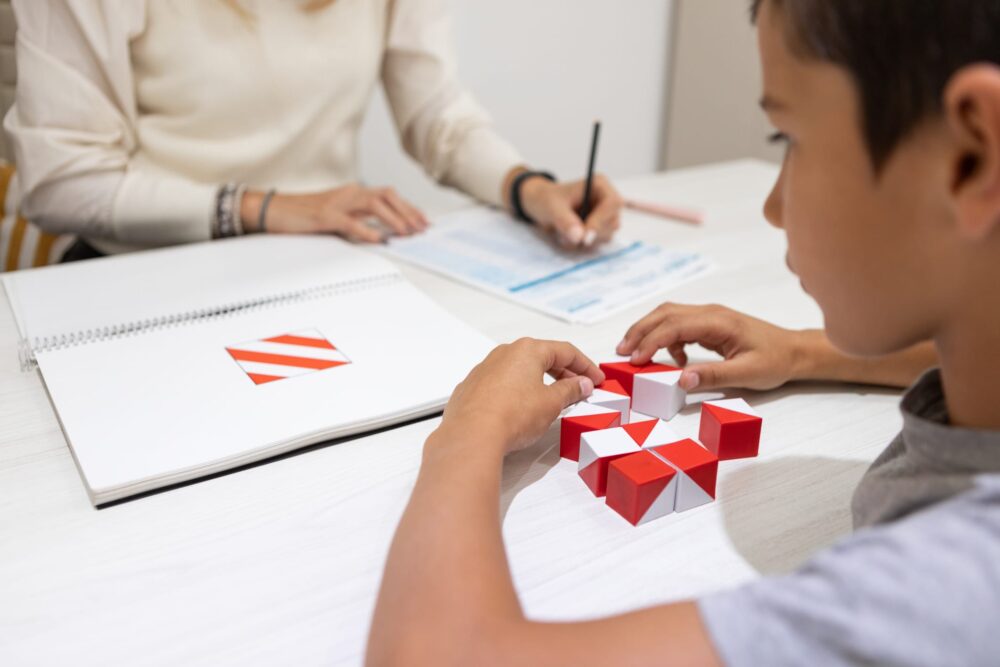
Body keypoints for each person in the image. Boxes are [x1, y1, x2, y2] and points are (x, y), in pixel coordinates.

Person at [366, 0, 1000, 664]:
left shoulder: (953, 592)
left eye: (788, 139)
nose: (772, 206)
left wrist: (468, 431)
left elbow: (433, 653)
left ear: (971, 156)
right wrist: (800, 350)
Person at [6, 0, 622, 261]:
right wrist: (263, 207)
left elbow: (434, 110)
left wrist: (526, 187)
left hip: (321, 262)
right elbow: (62, 182)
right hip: (138, 270)